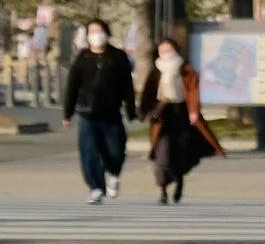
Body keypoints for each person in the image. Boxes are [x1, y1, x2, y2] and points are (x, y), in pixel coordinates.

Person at [63, 19, 135, 202]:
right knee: (89, 152)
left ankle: (113, 173)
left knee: (116, 150)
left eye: (99, 31)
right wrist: (67, 113)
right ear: (87, 36)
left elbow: (127, 85)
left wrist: (131, 109)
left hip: (111, 113)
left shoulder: (118, 57)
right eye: (92, 32)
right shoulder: (83, 58)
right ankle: (96, 188)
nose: (96, 35)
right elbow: (72, 86)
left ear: (107, 33)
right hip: (87, 113)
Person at [142, 37, 221, 204]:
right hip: (162, 117)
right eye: (163, 51)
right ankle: (163, 190)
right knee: (162, 154)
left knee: (181, 152)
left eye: (169, 50)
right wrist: (143, 111)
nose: (166, 54)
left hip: (182, 115)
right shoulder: (156, 70)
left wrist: (194, 111)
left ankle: (179, 183)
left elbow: (193, 90)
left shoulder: (185, 69)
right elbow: (148, 93)